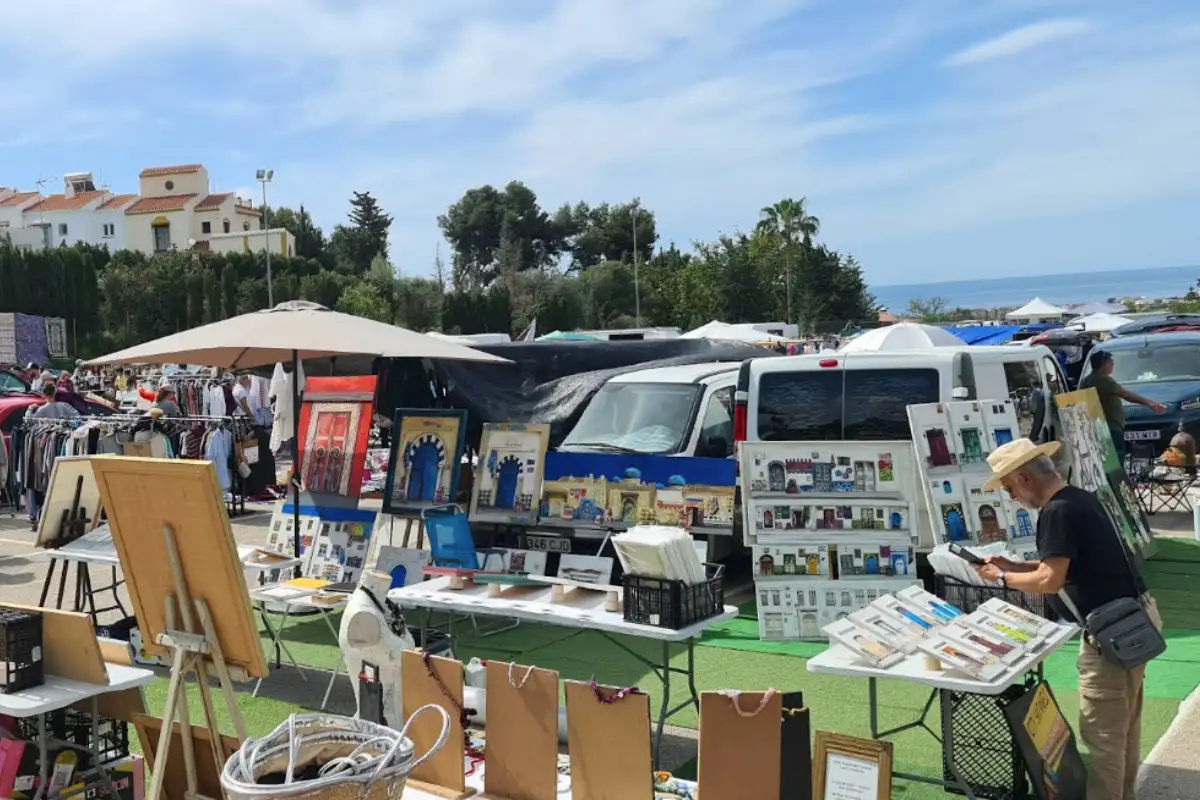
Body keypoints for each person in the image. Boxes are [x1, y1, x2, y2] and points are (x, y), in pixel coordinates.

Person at [975, 438, 1161, 800]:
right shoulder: (1078, 499)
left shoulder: (1055, 512)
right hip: (1132, 622)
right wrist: (1014, 566)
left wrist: (1002, 577)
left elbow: (1050, 579)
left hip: (1109, 635)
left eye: (1010, 488)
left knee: (1103, 737)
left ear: (1025, 478)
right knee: (1124, 728)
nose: (1012, 497)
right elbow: (1061, 563)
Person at [1080, 350, 1165, 457]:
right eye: (1110, 362)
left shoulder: (1087, 381)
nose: (1113, 365)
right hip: (1110, 428)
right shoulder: (1103, 380)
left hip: (1098, 427)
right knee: (1116, 457)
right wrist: (1149, 403)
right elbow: (1126, 394)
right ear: (1103, 364)